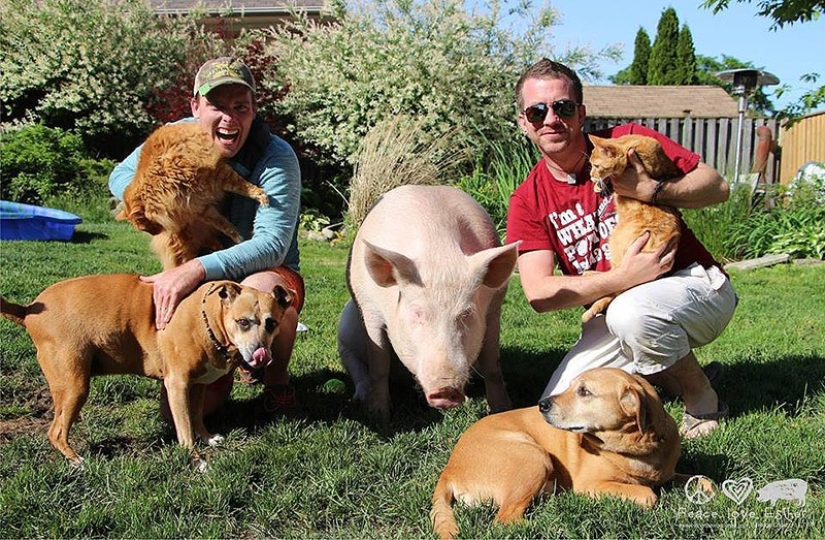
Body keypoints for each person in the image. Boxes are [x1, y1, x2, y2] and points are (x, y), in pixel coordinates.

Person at [506, 58, 737, 438]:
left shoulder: (628, 143)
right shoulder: (528, 200)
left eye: (563, 108)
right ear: (524, 123)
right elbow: (538, 293)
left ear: (580, 113)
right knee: (563, 416)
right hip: (615, 307)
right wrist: (623, 278)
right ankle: (669, 374)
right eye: (537, 111)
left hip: (694, 285)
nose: (551, 119)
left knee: (632, 314)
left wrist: (653, 190)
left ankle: (701, 397)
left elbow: (718, 187)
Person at [109, 57, 304, 419]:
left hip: (265, 273)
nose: (229, 118)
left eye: (240, 107)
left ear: (253, 110)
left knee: (260, 289)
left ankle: (276, 381)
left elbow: (273, 243)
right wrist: (160, 195)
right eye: (217, 106)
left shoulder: (276, 157)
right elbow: (119, 175)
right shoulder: (175, 136)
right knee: (177, 414)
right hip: (203, 276)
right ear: (196, 106)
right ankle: (213, 359)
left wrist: (195, 270)